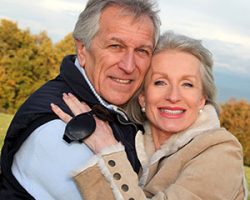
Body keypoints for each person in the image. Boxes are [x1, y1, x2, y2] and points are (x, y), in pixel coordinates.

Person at [52, 31, 248, 199]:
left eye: (187, 84)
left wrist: (107, 150)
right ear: (143, 97)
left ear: (202, 99)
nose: (173, 96)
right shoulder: (133, 141)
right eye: (160, 82)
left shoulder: (222, 153)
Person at [0, 0, 161, 199]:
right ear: (83, 50)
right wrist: (110, 151)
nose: (129, 66)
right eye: (115, 46)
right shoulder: (60, 130)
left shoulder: (119, 107)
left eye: (141, 51)